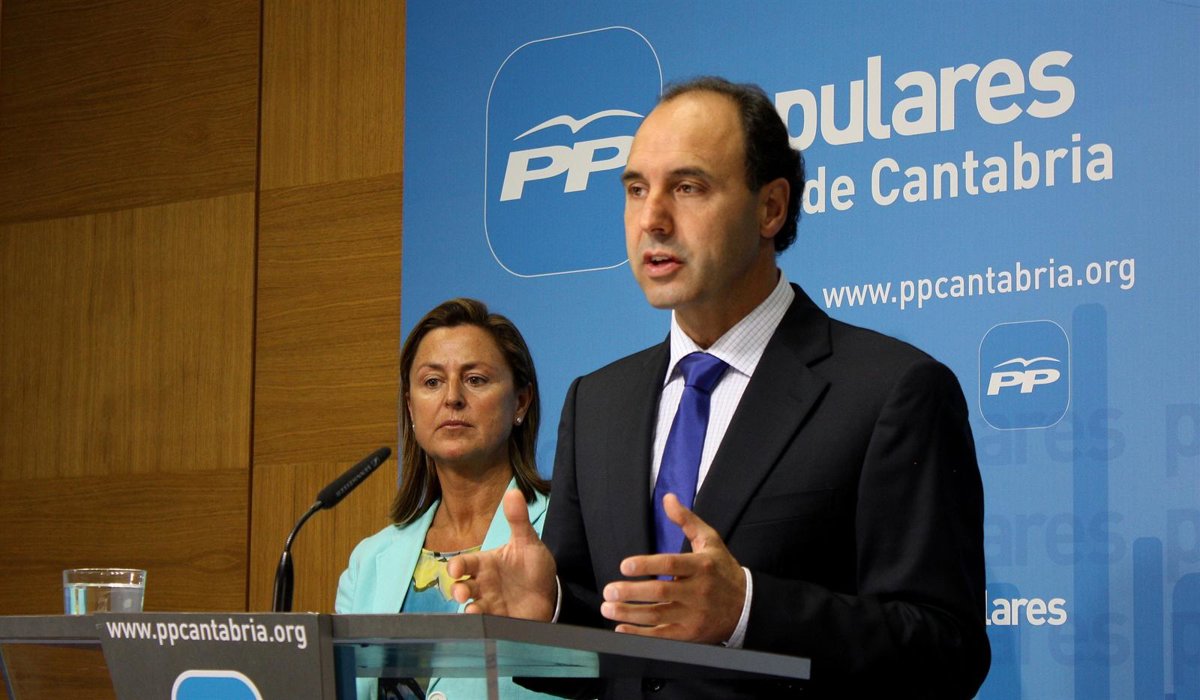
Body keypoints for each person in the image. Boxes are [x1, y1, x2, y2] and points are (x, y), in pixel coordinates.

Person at [450, 77, 990, 698]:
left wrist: (748, 612)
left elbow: (946, 653)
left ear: (771, 208)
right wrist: (545, 613)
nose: (652, 220)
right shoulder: (596, 402)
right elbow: (613, 654)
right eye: (635, 189)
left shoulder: (891, 391)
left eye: (689, 187)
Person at [336, 298, 553, 700]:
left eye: (476, 379)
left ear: (520, 402)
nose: (452, 397)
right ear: (410, 407)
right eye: (432, 382)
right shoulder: (369, 562)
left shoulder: (565, 531)